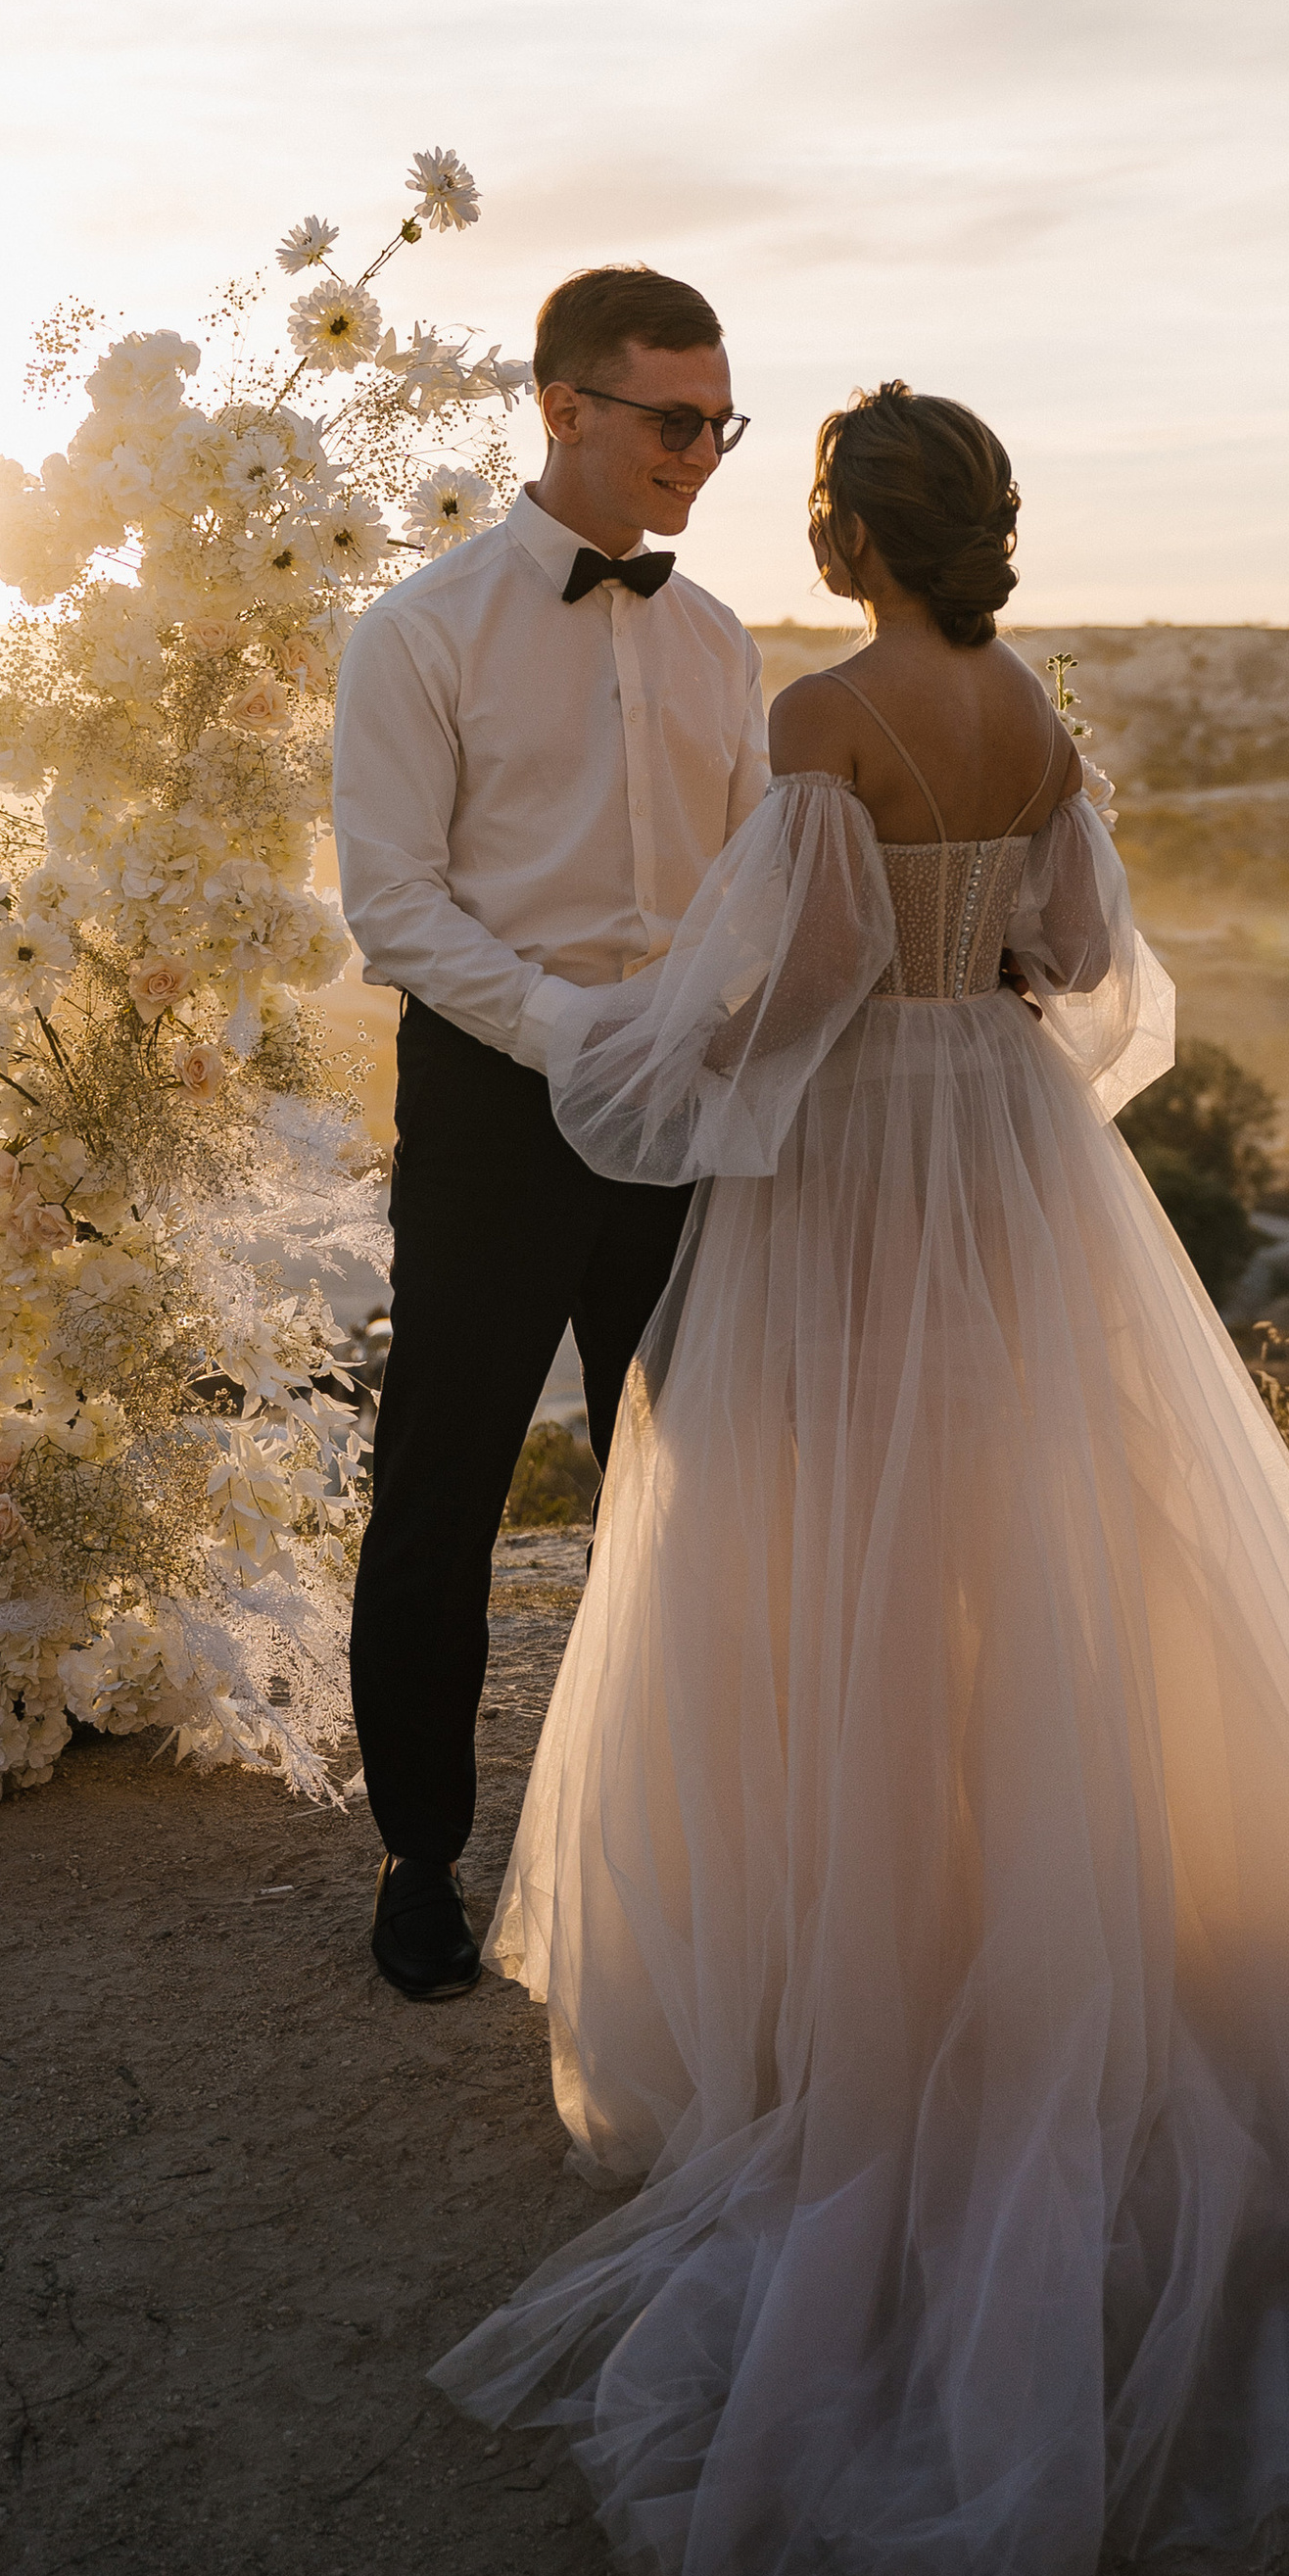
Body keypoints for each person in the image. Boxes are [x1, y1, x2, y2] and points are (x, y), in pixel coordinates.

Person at [433, 383, 1289, 2576]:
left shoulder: (819, 715)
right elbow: (1083, 962)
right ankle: (1033, 1906)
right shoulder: (1027, 708)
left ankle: (873, 1977)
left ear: (845, 527)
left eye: (802, 496)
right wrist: (962, 953)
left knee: (833, 1565)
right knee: (1029, 1548)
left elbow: (791, 981)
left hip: (855, 1168)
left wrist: (660, 1028)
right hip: (1007, 1150)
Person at [332, 263, 769, 2004]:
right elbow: (396, 910)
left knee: (702, 1481)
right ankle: (419, 1856)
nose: (705, 454)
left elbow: (750, 881)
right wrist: (581, 1032)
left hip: (687, 1111)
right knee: (441, 1485)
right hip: (499, 1112)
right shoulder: (418, 633)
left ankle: (695, 1847)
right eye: (677, 420)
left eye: (721, 421)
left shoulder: (720, 638)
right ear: (566, 408)